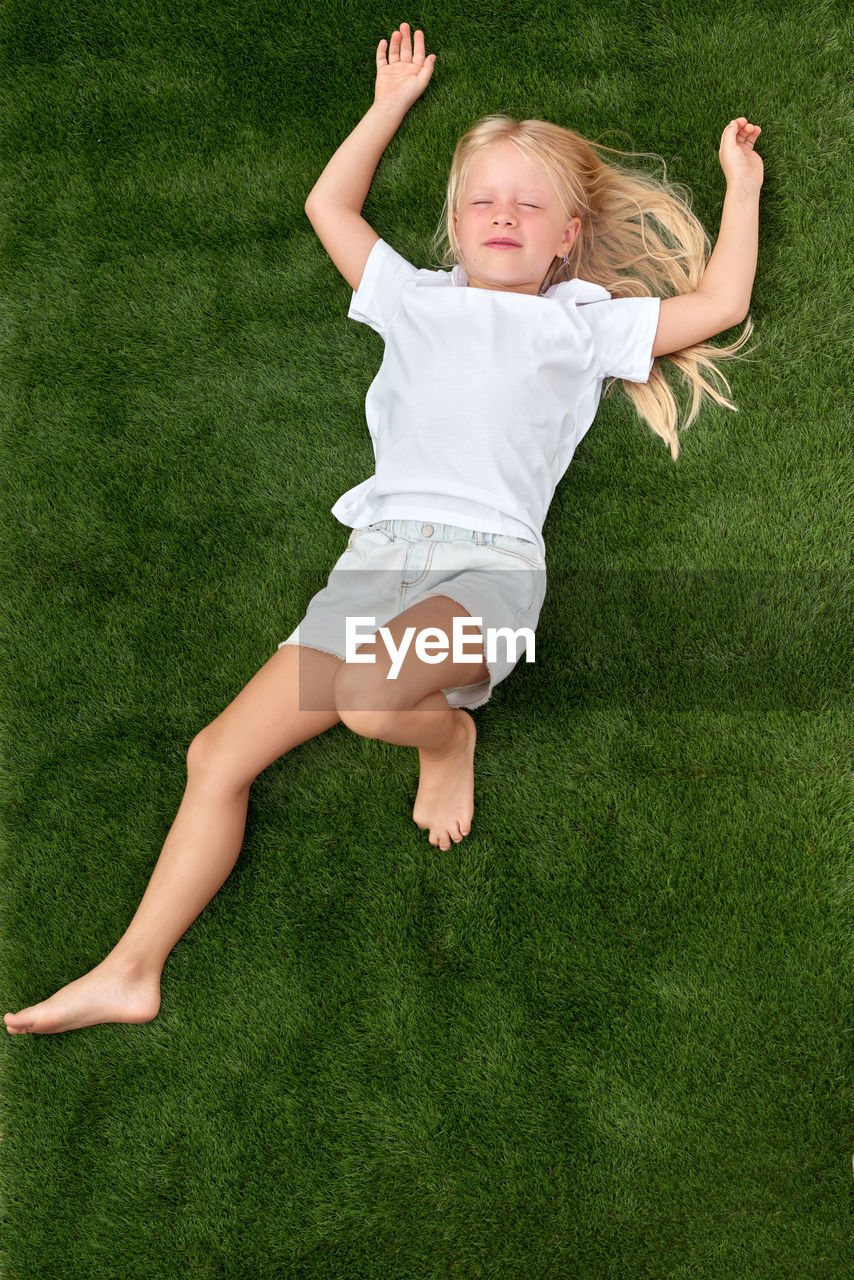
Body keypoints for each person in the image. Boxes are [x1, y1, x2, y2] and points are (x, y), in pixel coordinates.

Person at [4, 22, 763, 1035]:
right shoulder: (410, 297)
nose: (501, 215)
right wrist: (387, 104)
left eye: (526, 204)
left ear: (566, 234)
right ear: (454, 223)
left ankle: (446, 736)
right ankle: (131, 968)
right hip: (372, 566)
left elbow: (718, 300)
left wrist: (738, 183)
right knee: (213, 755)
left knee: (369, 699)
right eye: (480, 200)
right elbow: (329, 206)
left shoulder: (579, 323)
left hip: (487, 576)